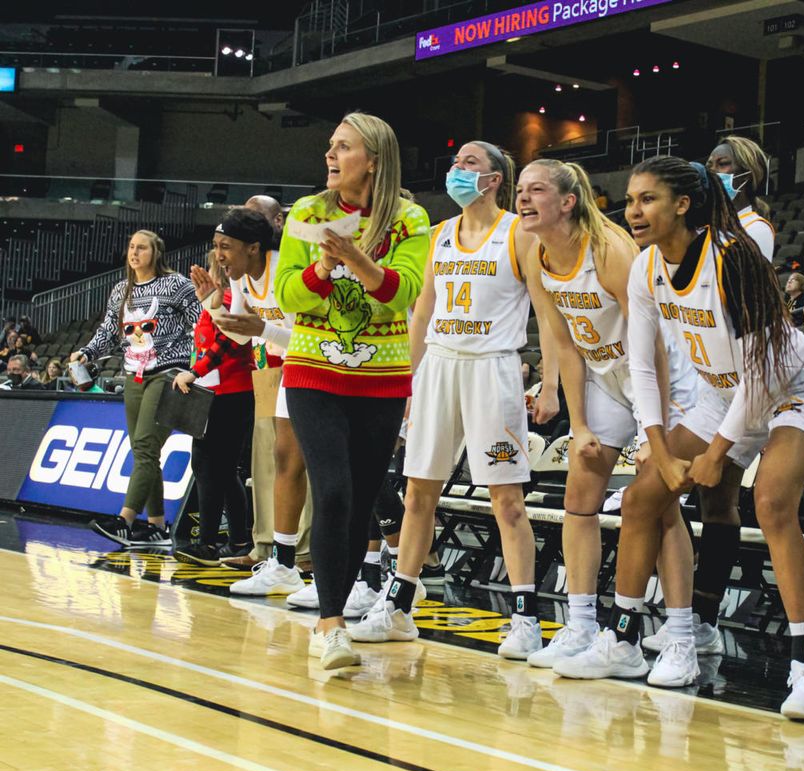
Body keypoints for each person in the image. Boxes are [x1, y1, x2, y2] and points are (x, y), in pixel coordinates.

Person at [554, 157, 804, 721]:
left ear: (682, 205)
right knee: (642, 497)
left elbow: (764, 371)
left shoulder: (734, 258)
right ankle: (628, 640)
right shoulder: (644, 269)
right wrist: (658, 448)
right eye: (630, 200)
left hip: (790, 388)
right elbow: (641, 365)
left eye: (647, 200)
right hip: (719, 392)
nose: (633, 211)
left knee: (772, 503)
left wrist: (715, 454)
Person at [347, 139, 559, 662]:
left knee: (506, 501)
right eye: (456, 161)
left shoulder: (519, 234)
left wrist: (550, 382)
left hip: (494, 369)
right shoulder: (438, 235)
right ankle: (399, 606)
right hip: (439, 365)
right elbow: (420, 317)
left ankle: (526, 618)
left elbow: (547, 316)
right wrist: (405, 379)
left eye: (470, 163)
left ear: (494, 178)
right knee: (418, 492)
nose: (456, 170)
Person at [515, 157, 701, 685]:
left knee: (657, 500)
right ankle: (580, 624)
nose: (523, 199)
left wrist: (651, 432)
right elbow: (567, 342)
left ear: (568, 202)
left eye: (536, 191)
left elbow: (657, 345)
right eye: (520, 190)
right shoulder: (536, 254)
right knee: (581, 491)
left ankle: (679, 637)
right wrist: (580, 427)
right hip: (603, 374)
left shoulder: (611, 252)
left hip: (657, 375)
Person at [275, 112, 430, 670]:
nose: (330, 156)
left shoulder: (411, 218)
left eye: (343, 147)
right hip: (314, 370)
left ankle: (338, 609)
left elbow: (400, 293)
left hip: (383, 379)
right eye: (330, 146)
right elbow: (289, 295)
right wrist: (322, 267)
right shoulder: (306, 213)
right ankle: (330, 624)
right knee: (335, 491)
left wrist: (356, 257)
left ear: (374, 159)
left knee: (363, 499)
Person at [73, 229, 202, 547]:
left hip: (169, 374)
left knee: (145, 447)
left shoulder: (176, 285)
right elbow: (107, 328)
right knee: (146, 453)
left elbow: (202, 325)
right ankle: (157, 527)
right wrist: (87, 352)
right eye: (131, 247)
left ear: (155, 253)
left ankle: (125, 520)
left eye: (141, 248)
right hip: (134, 376)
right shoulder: (121, 290)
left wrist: (197, 368)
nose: (134, 253)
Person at [216, 197, 314, 592]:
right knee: (283, 460)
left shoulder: (284, 271)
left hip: (314, 365)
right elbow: (243, 333)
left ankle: (321, 559)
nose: (219, 255)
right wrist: (212, 304)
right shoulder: (239, 278)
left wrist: (263, 331)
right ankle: (282, 560)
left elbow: (308, 337)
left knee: (308, 466)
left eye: (225, 247)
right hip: (283, 367)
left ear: (253, 248)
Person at [172, 238, 260, 567]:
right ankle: (237, 539)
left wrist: (194, 372)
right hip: (213, 393)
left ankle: (208, 542)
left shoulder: (228, 302)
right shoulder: (214, 303)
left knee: (213, 469)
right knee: (218, 471)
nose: (214, 269)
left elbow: (224, 345)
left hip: (231, 393)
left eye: (218, 264)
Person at [706, 134, 774, 260]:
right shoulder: (704, 223)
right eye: (709, 166)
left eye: (722, 164)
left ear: (746, 175)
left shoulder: (756, 228)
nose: (712, 171)